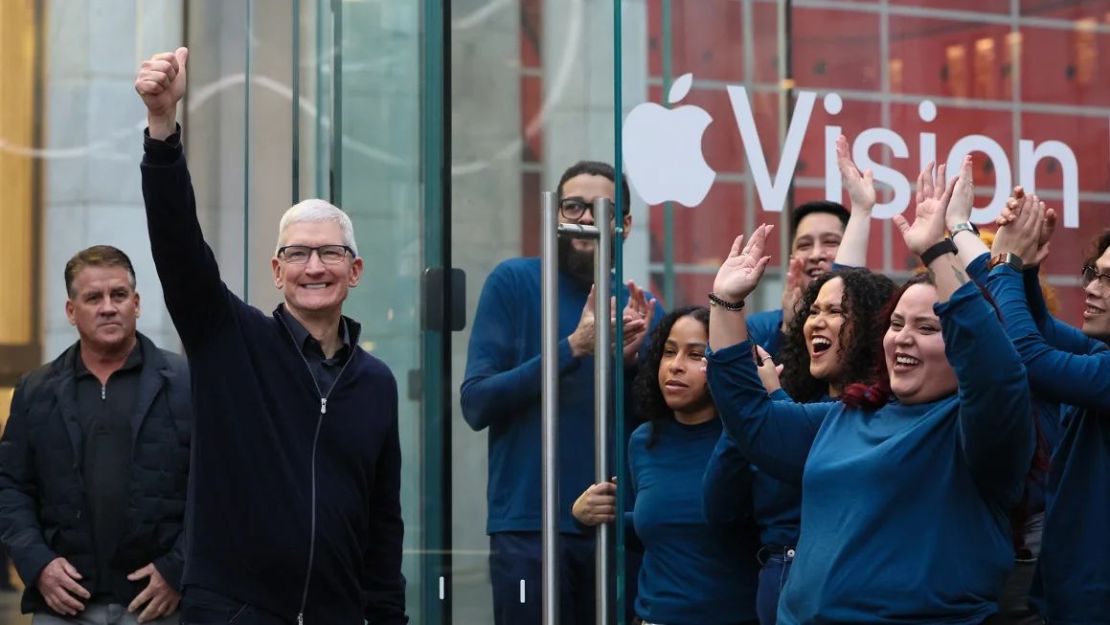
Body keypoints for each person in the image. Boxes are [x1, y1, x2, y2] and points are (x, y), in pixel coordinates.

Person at [135, 48, 406, 624]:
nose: (315, 266)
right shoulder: (230, 341)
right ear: (276, 270)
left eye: (330, 252)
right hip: (233, 612)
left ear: (354, 271)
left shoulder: (376, 384)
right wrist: (162, 130)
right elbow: (179, 249)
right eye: (298, 253)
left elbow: (383, 525)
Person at [704, 159, 1035, 623]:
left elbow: (998, 372)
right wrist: (725, 304)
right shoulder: (847, 415)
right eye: (896, 324)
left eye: (927, 327)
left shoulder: (979, 432)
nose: (903, 337)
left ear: (962, 343)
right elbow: (751, 420)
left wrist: (938, 252)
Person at [460, 160, 663, 625]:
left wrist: (633, 365)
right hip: (532, 527)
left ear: (625, 225)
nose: (586, 220)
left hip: (620, 530)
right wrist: (573, 348)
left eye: (600, 208)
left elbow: (662, 428)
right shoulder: (514, 282)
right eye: (573, 207)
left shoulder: (642, 307)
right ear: (554, 215)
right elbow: (476, 402)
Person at [701, 137, 894, 625]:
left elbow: (853, 299)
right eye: (813, 314)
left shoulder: (878, 412)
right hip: (779, 575)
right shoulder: (777, 345)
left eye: (831, 242)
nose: (819, 323)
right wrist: (727, 306)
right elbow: (724, 494)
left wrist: (864, 210)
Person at [0, 245, 190, 625]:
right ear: (72, 311)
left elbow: (216, 488)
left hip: (159, 606)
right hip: (62, 605)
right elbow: (10, 487)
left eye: (118, 295)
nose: (108, 306)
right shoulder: (36, 390)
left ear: (136, 303)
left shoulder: (186, 384)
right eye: (93, 297)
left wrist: (177, 569)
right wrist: (38, 564)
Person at [572, 307, 760, 625]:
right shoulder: (644, 441)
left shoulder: (749, 438)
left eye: (695, 355)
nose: (675, 366)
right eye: (669, 352)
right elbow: (650, 531)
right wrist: (588, 515)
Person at [987, 191, 1110, 625]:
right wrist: (1025, 268)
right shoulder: (1100, 355)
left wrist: (1005, 262)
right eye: (1093, 273)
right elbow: (1041, 331)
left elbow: (1031, 357)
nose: (1091, 288)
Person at [745, 200, 850, 358]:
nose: (815, 254)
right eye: (804, 245)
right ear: (792, 258)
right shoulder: (758, 328)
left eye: (830, 242)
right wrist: (789, 328)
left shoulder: (878, 321)